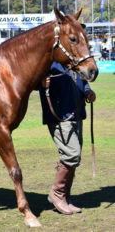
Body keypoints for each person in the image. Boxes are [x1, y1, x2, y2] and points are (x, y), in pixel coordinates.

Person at [39, 61, 96, 215]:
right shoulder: (49, 63)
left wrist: (88, 91)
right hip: (60, 117)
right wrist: (41, 83)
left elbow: (82, 82)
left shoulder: (74, 61)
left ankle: (64, 197)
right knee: (72, 154)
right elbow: (32, 81)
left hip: (77, 115)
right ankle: (57, 195)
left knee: (72, 157)